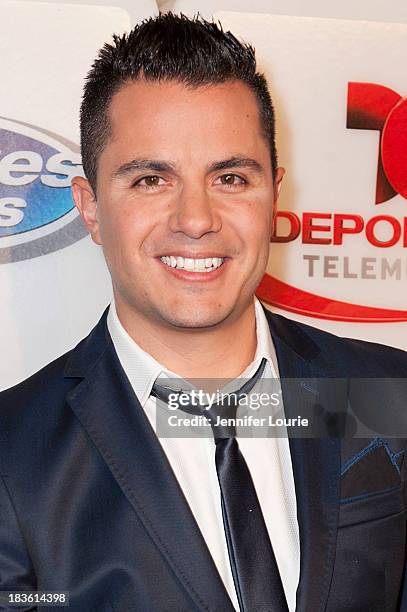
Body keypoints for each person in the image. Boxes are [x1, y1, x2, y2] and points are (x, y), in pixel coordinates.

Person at [0, 13, 406, 612]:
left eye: (232, 177)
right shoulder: (13, 455)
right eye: (149, 181)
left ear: (275, 193)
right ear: (89, 208)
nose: (196, 219)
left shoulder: (384, 393)